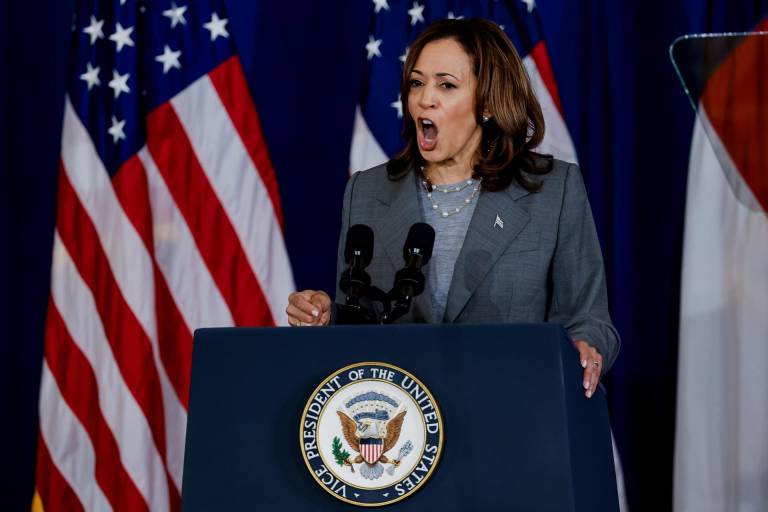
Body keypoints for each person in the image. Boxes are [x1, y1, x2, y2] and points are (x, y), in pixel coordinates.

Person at [286, 18, 619, 398]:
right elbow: (361, 328)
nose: (425, 98)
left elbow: (589, 319)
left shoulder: (551, 190)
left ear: (489, 102)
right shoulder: (367, 191)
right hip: (401, 433)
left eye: (446, 84)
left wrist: (584, 348)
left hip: (513, 415)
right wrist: (330, 316)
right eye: (417, 83)